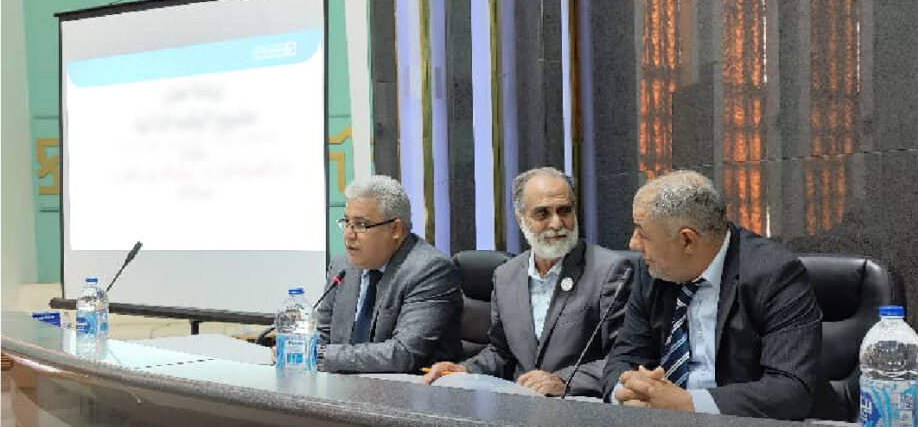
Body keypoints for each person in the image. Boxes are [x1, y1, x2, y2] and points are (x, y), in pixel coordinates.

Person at [602, 170, 824, 420]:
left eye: (642, 234)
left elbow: (790, 389)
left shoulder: (775, 274)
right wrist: (628, 393)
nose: (633, 244)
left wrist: (687, 403)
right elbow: (623, 359)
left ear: (687, 240)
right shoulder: (652, 271)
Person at [422, 167, 633, 396]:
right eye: (542, 214)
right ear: (520, 217)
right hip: (520, 404)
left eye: (564, 211)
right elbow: (502, 354)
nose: (556, 223)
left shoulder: (609, 270)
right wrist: (464, 370)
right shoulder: (505, 276)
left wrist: (564, 381)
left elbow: (625, 358)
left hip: (578, 403)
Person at [312, 175, 462, 373]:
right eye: (347, 222)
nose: (348, 234)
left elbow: (402, 354)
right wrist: (296, 348)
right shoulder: (342, 266)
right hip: (343, 384)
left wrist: (317, 355)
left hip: (408, 388)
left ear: (395, 229)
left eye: (360, 225)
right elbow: (322, 333)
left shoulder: (430, 270)